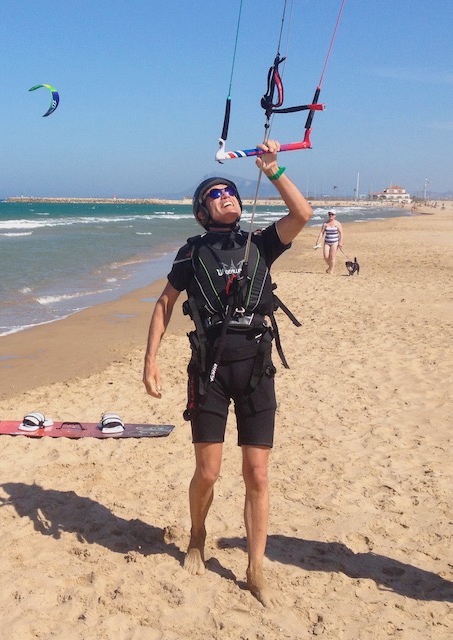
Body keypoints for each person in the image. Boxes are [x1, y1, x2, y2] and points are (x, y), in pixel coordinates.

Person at [143, 140, 313, 607]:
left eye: (230, 189)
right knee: (208, 471)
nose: (226, 195)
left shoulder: (260, 243)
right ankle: (197, 534)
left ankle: (256, 566)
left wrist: (274, 171)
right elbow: (164, 304)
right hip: (209, 372)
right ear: (202, 211)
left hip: (256, 367)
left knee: (257, 475)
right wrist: (150, 360)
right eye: (215, 193)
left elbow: (302, 214)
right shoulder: (192, 253)